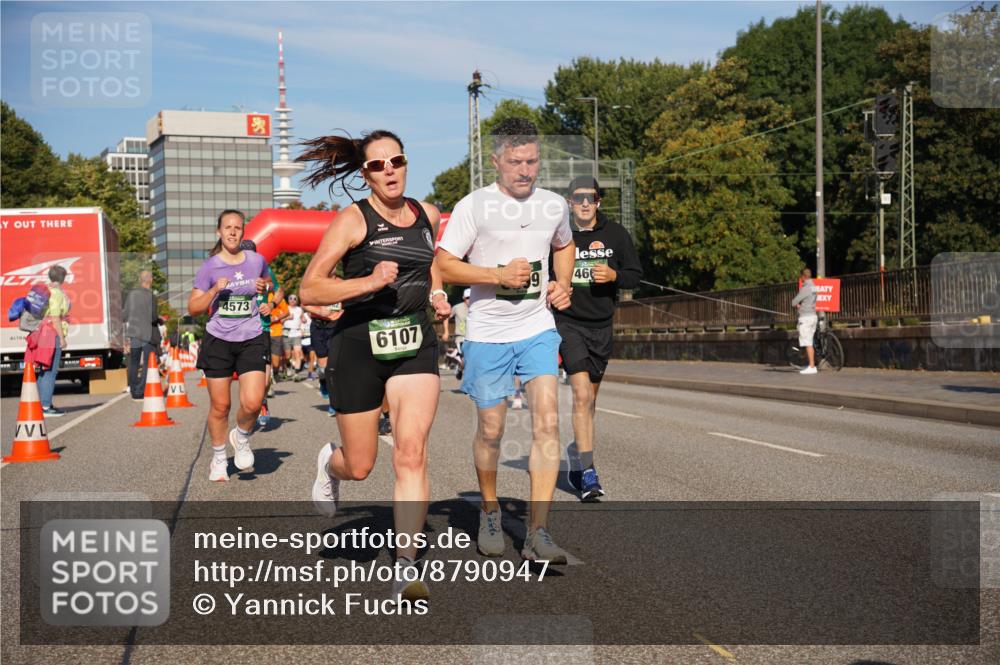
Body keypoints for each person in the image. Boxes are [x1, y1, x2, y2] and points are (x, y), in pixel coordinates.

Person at [298, 129, 450, 601]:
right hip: (359, 344)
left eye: (396, 161)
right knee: (361, 464)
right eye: (378, 165)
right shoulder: (352, 220)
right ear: (364, 173)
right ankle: (330, 464)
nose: (389, 170)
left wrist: (439, 292)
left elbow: (429, 264)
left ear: (406, 163)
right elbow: (310, 289)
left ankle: (405, 564)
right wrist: (365, 282)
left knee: (411, 452)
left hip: (413, 341)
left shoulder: (426, 213)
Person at [434, 117, 575, 563]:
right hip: (488, 333)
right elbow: (445, 264)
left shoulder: (554, 205)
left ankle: (539, 530)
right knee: (492, 430)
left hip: (536, 327)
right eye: (515, 161)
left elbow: (564, 245)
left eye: (532, 161)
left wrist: (563, 283)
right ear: (496, 161)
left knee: (548, 423)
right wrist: (495, 275)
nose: (525, 170)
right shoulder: (474, 206)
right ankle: (490, 510)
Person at [554, 176, 643, 501]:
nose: (585, 203)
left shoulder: (616, 234)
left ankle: (578, 451)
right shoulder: (559, 236)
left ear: (599, 202)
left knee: (590, 400)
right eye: (579, 198)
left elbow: (635, 274)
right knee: (580, 395)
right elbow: (547, 275)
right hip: (568, 323)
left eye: (591, 197)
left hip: (602, 326)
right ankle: (588, 474)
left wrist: (615, 275)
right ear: (569, 202)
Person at [189, 210, 271, 482]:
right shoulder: (209, 267)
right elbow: (194, 308)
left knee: (253, 401)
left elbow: (269, 284)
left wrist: (264, 289)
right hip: (219, 340)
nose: (233, 232)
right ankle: (219, 457)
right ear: (219, 233)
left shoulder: (256, 260)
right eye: (228, 227)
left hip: (251, 336)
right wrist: (213, 291)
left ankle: (243, 437)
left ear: (243, 232)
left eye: (237, 227)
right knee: (221, 406)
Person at [239, 239, 284, 426]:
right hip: (240, 331)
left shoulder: (266, 272)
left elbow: (279, 290)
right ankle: (246, 418)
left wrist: (272, 304)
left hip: (262, 329)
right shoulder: (232, 272)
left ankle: (262, 401)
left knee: (264, 381)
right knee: (246, 379)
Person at [37, 265, 71, 417]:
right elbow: (56, 317)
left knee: (45, 370)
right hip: (52, 334)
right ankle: (45, 406)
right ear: (62, 278)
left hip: (43, 332)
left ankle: (43, 403)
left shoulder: (45, 289)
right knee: (51, 371)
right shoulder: (56, 293)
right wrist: (62, 338)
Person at [123, 270, 160, 402]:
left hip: (134, 333)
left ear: (140, 280)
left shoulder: (131, 295)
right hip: (147, 334)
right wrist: (159, 319)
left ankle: (133, 390)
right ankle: (141, 390)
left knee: (134, 362)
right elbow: (153, 317)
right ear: (151, 280)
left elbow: (125, 315)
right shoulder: (152, 296)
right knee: (147, 363)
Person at [304, 296, 344, 416]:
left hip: (336, 326)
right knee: (323, 369)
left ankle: (333, 403)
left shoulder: (341, 283)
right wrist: (319, 311)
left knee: (333, 367)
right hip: (318, 327)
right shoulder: (316, 283)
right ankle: (323, 381)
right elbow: (304, 303)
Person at [792, 267, 819, 375]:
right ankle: (811, 364)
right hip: (813, 316)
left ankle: (812, 366)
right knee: (810, 341)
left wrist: (798, 305)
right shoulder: (814, 287)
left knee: (807, 342)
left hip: (805, 317)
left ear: (803, 276)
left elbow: (794, 302)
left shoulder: (805, 288)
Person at [282, 294, 306, 378]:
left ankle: (296, 374)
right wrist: (287, 318)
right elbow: (279, 321)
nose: (293, 300)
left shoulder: (299, 309)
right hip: (286, 333)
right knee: (287, 355)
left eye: (295, 299)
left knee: (298, 353)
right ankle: (288, 367)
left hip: (297, 333)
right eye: (291, 298)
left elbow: (303, 320)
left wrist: (302, 328)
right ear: (288, 300)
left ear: (297, 301)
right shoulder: (285, 308)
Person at [268, 293, 290, 386]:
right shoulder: (257, 294)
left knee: (276, 363)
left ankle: (275, 373)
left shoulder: (276, 296)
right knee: (263, 361)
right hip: (261, 331)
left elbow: (286, 312)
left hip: (276, 332)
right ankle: (268, 382)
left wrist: (275, 318)